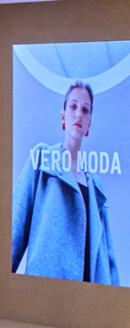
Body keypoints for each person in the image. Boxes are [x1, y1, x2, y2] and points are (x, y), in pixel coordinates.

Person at [11, 81, 119, 285]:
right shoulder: (43, 157)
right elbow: (14, 228)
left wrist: (116, 298)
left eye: (85, 110)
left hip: (90, 294)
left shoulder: (95, 184)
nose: (79, 114)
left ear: (89, 123)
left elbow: (107, 254)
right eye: (73, 106)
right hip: (47, 289)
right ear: (63, 117)